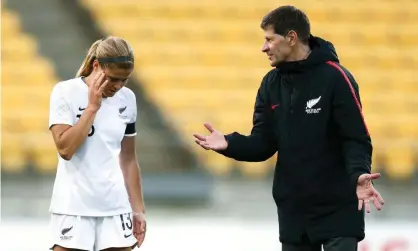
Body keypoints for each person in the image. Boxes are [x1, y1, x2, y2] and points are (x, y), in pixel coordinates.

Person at [193, 6, 385, 251]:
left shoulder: (336, 78)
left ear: (292, 38)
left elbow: (356, 138)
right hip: (295, 214)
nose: (264, 47)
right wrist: (230, 144)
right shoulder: (270, 84)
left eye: (269, 39)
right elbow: (263, 143)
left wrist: (359, 174)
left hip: (337, 210)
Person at [48, 36, 146, 251]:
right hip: (73, 207)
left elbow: (128, 159)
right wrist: (92, 108)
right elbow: (65, 149)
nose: (118, 86)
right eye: (113, 79)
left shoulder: (128, 99)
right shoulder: (65, 92)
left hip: (115, 206)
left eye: (124, 80)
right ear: (96, 66)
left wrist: (138, 209)